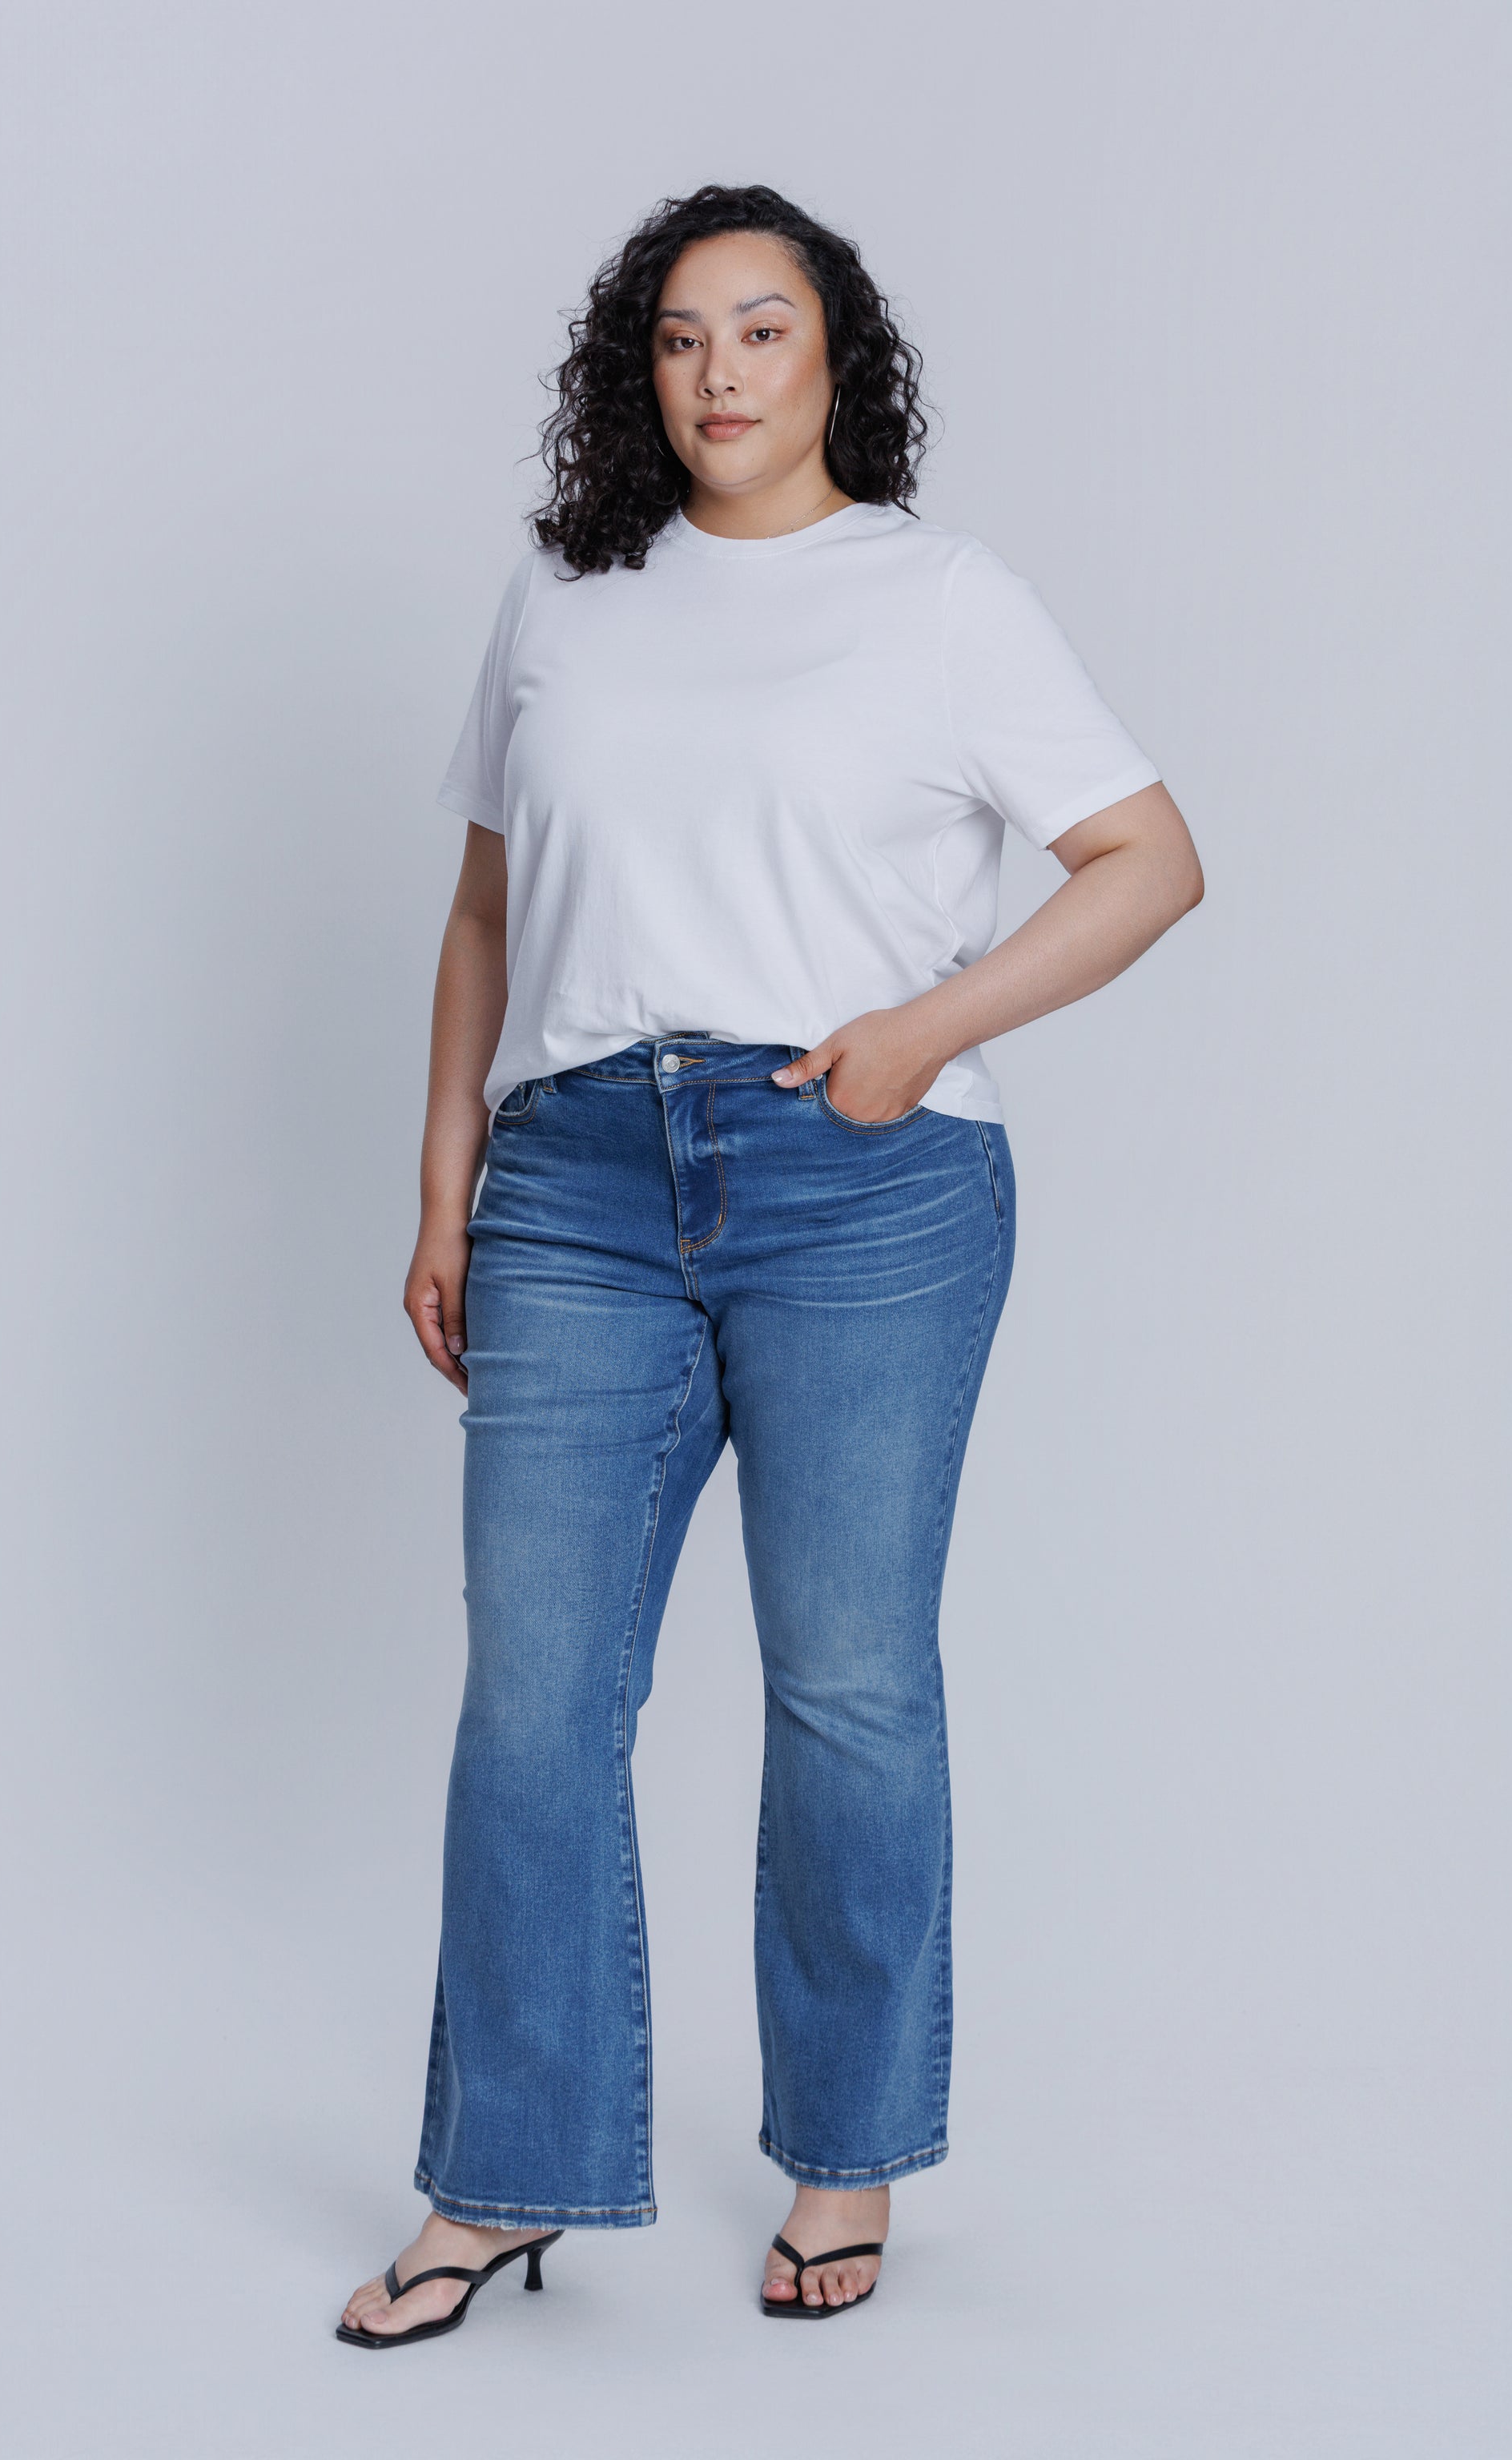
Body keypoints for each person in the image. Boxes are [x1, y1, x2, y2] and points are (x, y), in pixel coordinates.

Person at [338, 182, 1202, 2348]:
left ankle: (844, 2157)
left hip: (860, 1185)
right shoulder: (562, 595)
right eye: (681, 339)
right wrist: (446, 1187)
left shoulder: (939, 598)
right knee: (534, 1701)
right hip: (577, 1184)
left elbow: (1148, 859)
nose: (721, 374)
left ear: (837, 360)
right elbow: (478, 914)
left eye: (765, 331)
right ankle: (499, 2179)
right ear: (639, 373)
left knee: (845, 1686)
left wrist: (923, 1033)